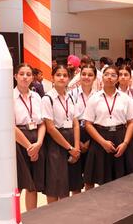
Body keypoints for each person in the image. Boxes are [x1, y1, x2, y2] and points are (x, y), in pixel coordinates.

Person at [83, 66, 133, 185]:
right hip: (100, 139)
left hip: (121, 137)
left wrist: (125, 143)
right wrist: (102, 142)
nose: (109, 77)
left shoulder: (125, 98)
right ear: (102, 77)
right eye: (106, 74)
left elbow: (131, 122)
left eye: (113, 75)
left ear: (117, 79)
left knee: (123, 179)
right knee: (96, 179)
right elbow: (88, 124)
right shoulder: (94, 98)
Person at [42, 65, 82, 202]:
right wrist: (69, 148)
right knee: (55, 183)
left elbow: (75, 123)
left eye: (65, 75)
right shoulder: (47, 98)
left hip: (72, 141)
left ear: (69, 78)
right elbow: (51, 128)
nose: (62, 78)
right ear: (52, 78)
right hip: (57, 143)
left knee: (70, 182)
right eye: (58, 75)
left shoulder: (70, 97)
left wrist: (76, 147)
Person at [13, 63, 46, 210]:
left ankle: (31, 218)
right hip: (19, 143)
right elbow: (10, 126)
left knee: (32, 185)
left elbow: (42, 123)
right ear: (15, 76)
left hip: (36, 141)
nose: (25, 77)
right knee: (18, 184)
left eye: (28, 74)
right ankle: (13, 218)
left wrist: (38, 143)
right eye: (21, 74)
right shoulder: (9, 97)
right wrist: (29, 147)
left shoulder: (37, 97)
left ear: (33, 78)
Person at [72, 64, 98, 189]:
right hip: (75, 133)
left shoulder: (99, 96)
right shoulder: (71, 94)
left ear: (95, 77)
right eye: (84, 74)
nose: (86, 77)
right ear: (79, 75)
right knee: (75, 178)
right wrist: (78, 142)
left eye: (90, 75)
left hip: (93, 134)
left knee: (90, 177)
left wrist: (89, 140)